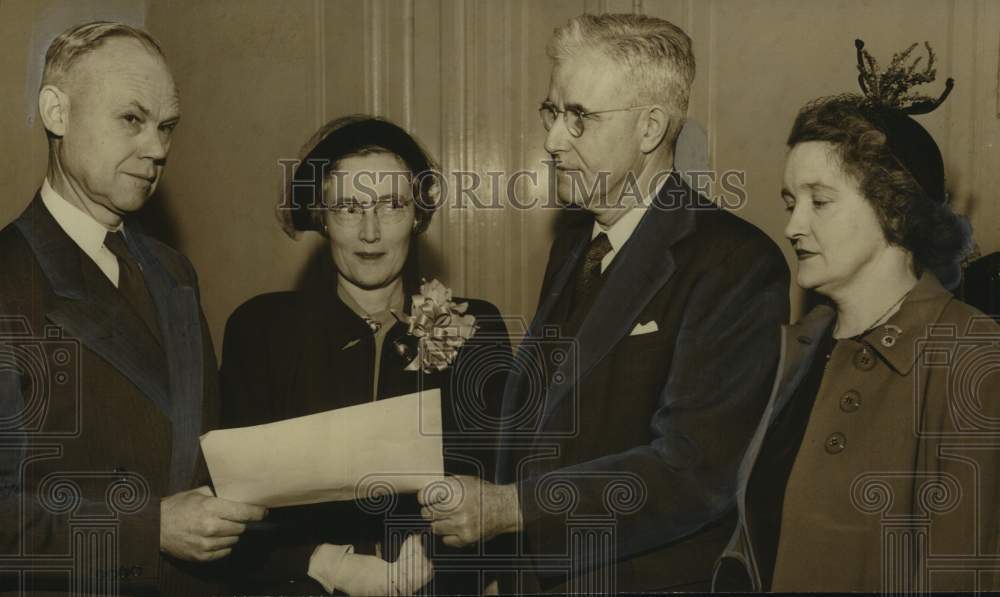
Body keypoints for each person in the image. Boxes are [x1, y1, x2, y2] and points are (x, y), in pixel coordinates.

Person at [418, 13, 790, 593]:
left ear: (649, 128)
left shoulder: (736, 264)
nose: (552, 140)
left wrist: (512, 510)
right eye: (551, 111)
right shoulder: (576, 242)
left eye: (579, 118)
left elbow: (692, 472)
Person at [713, 46, 1000, 592]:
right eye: (789, 201)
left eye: (819, 202)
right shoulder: (795, 349)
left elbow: (966, 571)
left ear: (895, 210)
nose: (793, 226)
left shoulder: (971, 355)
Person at [0, 21, 266, 595]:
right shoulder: (7, 280)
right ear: (57, 113)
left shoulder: (174, 271)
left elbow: (201, 451)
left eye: (166, 126)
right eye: (132, 119)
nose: (158, 148)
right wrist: (152, 527)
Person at [219, 115, 511, 595]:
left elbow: (497, 488)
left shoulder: (475, 329)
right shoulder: (260, 330)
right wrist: (326, 564)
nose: (370, 233)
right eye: (349, 208)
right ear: (321, 215)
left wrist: (436, 557)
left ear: (418, 215)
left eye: (391, 206)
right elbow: (231, 502)